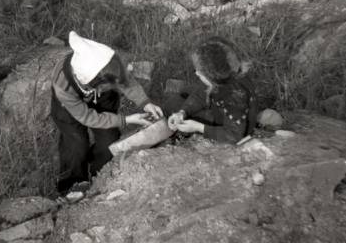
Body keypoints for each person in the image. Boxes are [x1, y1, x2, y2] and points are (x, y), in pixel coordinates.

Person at [50, 31, 163, 193]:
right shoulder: (63, 83)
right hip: (68, 108)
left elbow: (125, 81)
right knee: (75, 144)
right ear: (97, 84)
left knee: (108, 140)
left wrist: (145, 103)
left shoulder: (109, 62)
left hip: (102, 98)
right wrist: (125, 120)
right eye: (111, 85)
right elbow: (87, 117)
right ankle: (72, 184)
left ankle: (100, 175)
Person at [167, 36, 258, 144]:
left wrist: (198, 127)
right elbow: (199, 95)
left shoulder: (235, 95)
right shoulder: (222, 76)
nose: (196, 73)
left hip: (230, 130)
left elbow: (234, 135)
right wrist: (182, 112)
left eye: (200, 72)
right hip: (219, 112)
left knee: (176, 107)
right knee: (176, 101)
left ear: (212, 75)